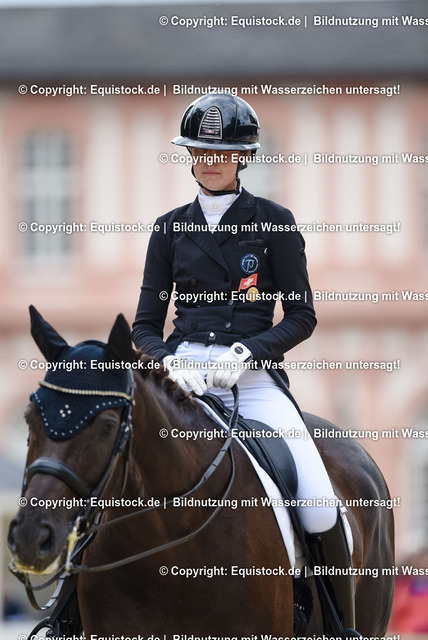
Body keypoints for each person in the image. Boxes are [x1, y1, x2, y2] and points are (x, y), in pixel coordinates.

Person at [132, 93, 358, 635]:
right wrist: (168, 362)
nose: (210, 161)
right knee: (113, 468)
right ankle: (71, 612)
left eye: (222, 152)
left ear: (244, 157)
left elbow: (301, 316)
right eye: (200, 151)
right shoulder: (168, 228)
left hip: (251, 380)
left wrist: (248, 352)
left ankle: (336, 622)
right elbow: (144, 326)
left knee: (318, 500)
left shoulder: (275, 222)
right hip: (183, 380)